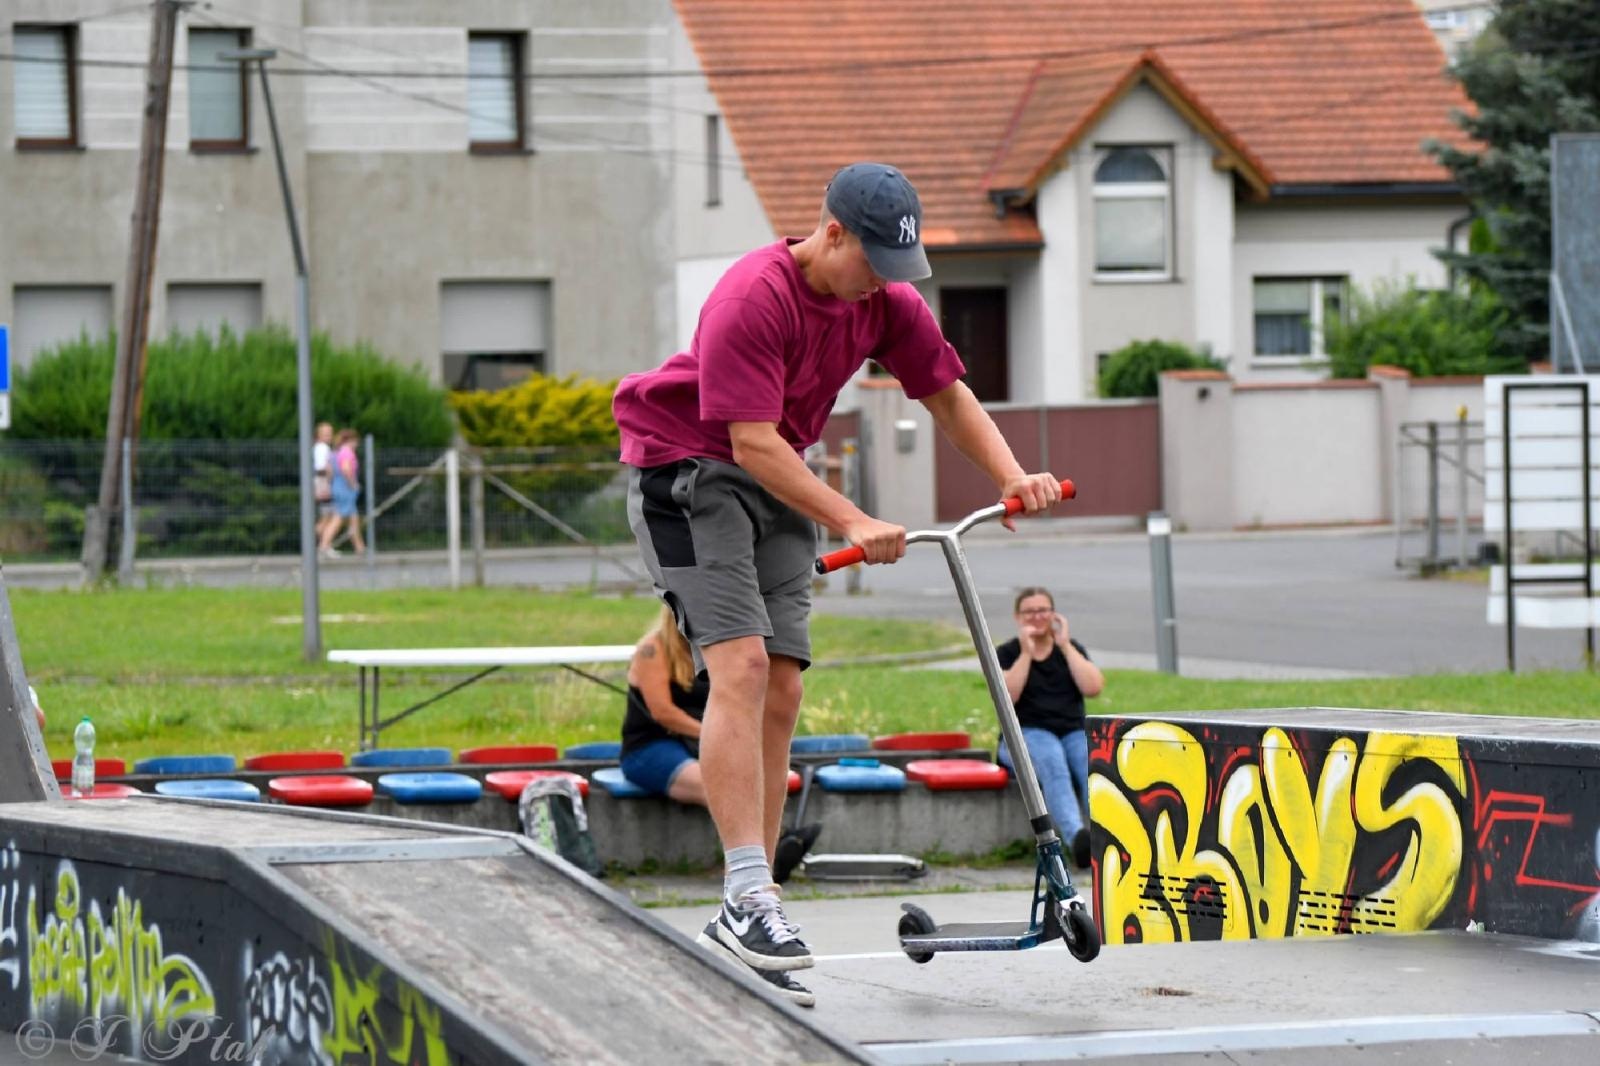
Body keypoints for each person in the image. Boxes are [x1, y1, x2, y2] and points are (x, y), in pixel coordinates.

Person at [612, 161, 1062, 1004]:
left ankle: (752, 906)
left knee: (783, 685)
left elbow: (948, 396)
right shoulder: (754, 297)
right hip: (689, 471)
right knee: (741, 666)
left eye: (897, 270)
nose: (881, 286)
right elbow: (748, 441)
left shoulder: (885, 299)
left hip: (778, 475)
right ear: (831, 234)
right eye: (872, 264)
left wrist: (1011, 474)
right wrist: (853, 519)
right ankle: (749, 896)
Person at [995, 587, 1105, 869]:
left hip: (1071, 731)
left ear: (1054, 614)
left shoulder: (1070, 649)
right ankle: (1077, 839)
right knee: (1053, 760)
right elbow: (1007, 696)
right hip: (1025, 735)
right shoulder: (1007, 653)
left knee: (1090, 762)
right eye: (1029, 612)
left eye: (1043, 610)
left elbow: (1093, 687)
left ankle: (1106, 840)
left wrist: (1065, 645)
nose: (1037, 617)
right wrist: (1026, 653)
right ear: (1018, 617)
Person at [621, 605, 710, 806]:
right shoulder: (651, 649)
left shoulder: (713, 648)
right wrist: (715, 736)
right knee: (719, 788)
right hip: (650, 746)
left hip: (702, 743)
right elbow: (663, 713)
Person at [318, 429, 365, 558]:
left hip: (337, 486)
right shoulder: (347, 452)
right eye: (355, 441)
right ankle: (324, 545)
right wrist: (352, 483)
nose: (357, 444)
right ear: (350, 440)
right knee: (338, 518)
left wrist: (332, 483)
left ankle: (360, 547)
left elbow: (328, 470)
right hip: (346, 489)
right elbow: (346, 468)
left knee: (353, 518)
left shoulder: (334, 453)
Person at [312, 422, 335, 541]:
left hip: (320, 482)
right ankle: (318, 543)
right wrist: (331, 478)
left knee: (327, 515)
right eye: (326, 434)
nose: (329, 436)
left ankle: (323, 543)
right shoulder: (323, 448)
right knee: (327, 515)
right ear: (319, 435)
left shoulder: (318, 447)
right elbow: (323, 467)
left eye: (330, 433)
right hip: (323, 482)